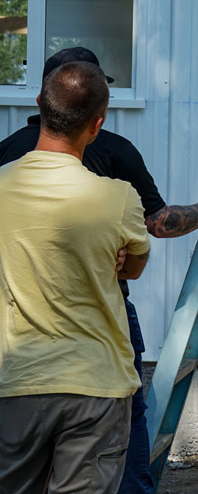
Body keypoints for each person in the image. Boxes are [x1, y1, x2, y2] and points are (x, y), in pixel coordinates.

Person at [0, 47, 198, 494]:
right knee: (127, 428)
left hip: (17, 363)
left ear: (40, 99)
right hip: (97, 354)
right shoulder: (115, 174)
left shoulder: (5, 160)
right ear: (98, 119)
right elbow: (147, 240)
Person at [0, 62, 151, 493]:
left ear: (39, 106)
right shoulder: (118, 197)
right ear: (97, 125)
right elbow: (133, 268)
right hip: (95, 386)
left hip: (14, 381)